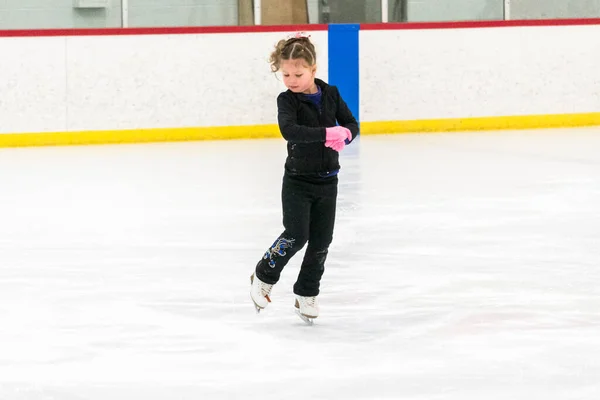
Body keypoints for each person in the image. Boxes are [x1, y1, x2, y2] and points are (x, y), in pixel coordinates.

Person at [250, 32, 359, 323]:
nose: (291, 80)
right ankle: (264, 274)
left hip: (328, 181)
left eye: (298, 74)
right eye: (285, 74)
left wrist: (346, 134)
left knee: (322, 240)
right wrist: (328, 133)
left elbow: (351, 123)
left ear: (313, 69)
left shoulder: (331, 94)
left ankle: (307, 292)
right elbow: (290, 131)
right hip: (298, 180)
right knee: (297, 235)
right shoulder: (287, 101)